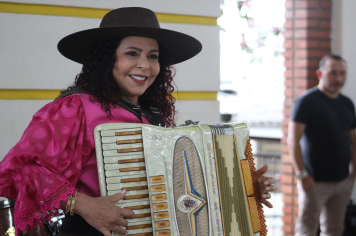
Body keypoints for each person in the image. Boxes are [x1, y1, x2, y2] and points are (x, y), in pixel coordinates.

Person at [0, 7, 276, 236]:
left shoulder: (147, 114)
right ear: (108, 59)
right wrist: (85, 205)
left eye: (153, 56)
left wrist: (244, 188)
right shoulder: (76, 106)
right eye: (132, 53)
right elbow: (19, 169)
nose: (145, 64)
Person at [288, 54, 356, 236]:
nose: (338, 78)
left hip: (342, 182)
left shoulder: (347, 104)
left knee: (334, 230)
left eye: (342, 73)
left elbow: (354, 141)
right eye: (333, 73)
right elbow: (293, 141)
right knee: (306, 229)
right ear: (320, 73)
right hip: (314, 181)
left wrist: (352, 175)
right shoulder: (306, 101)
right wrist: (302, 175)